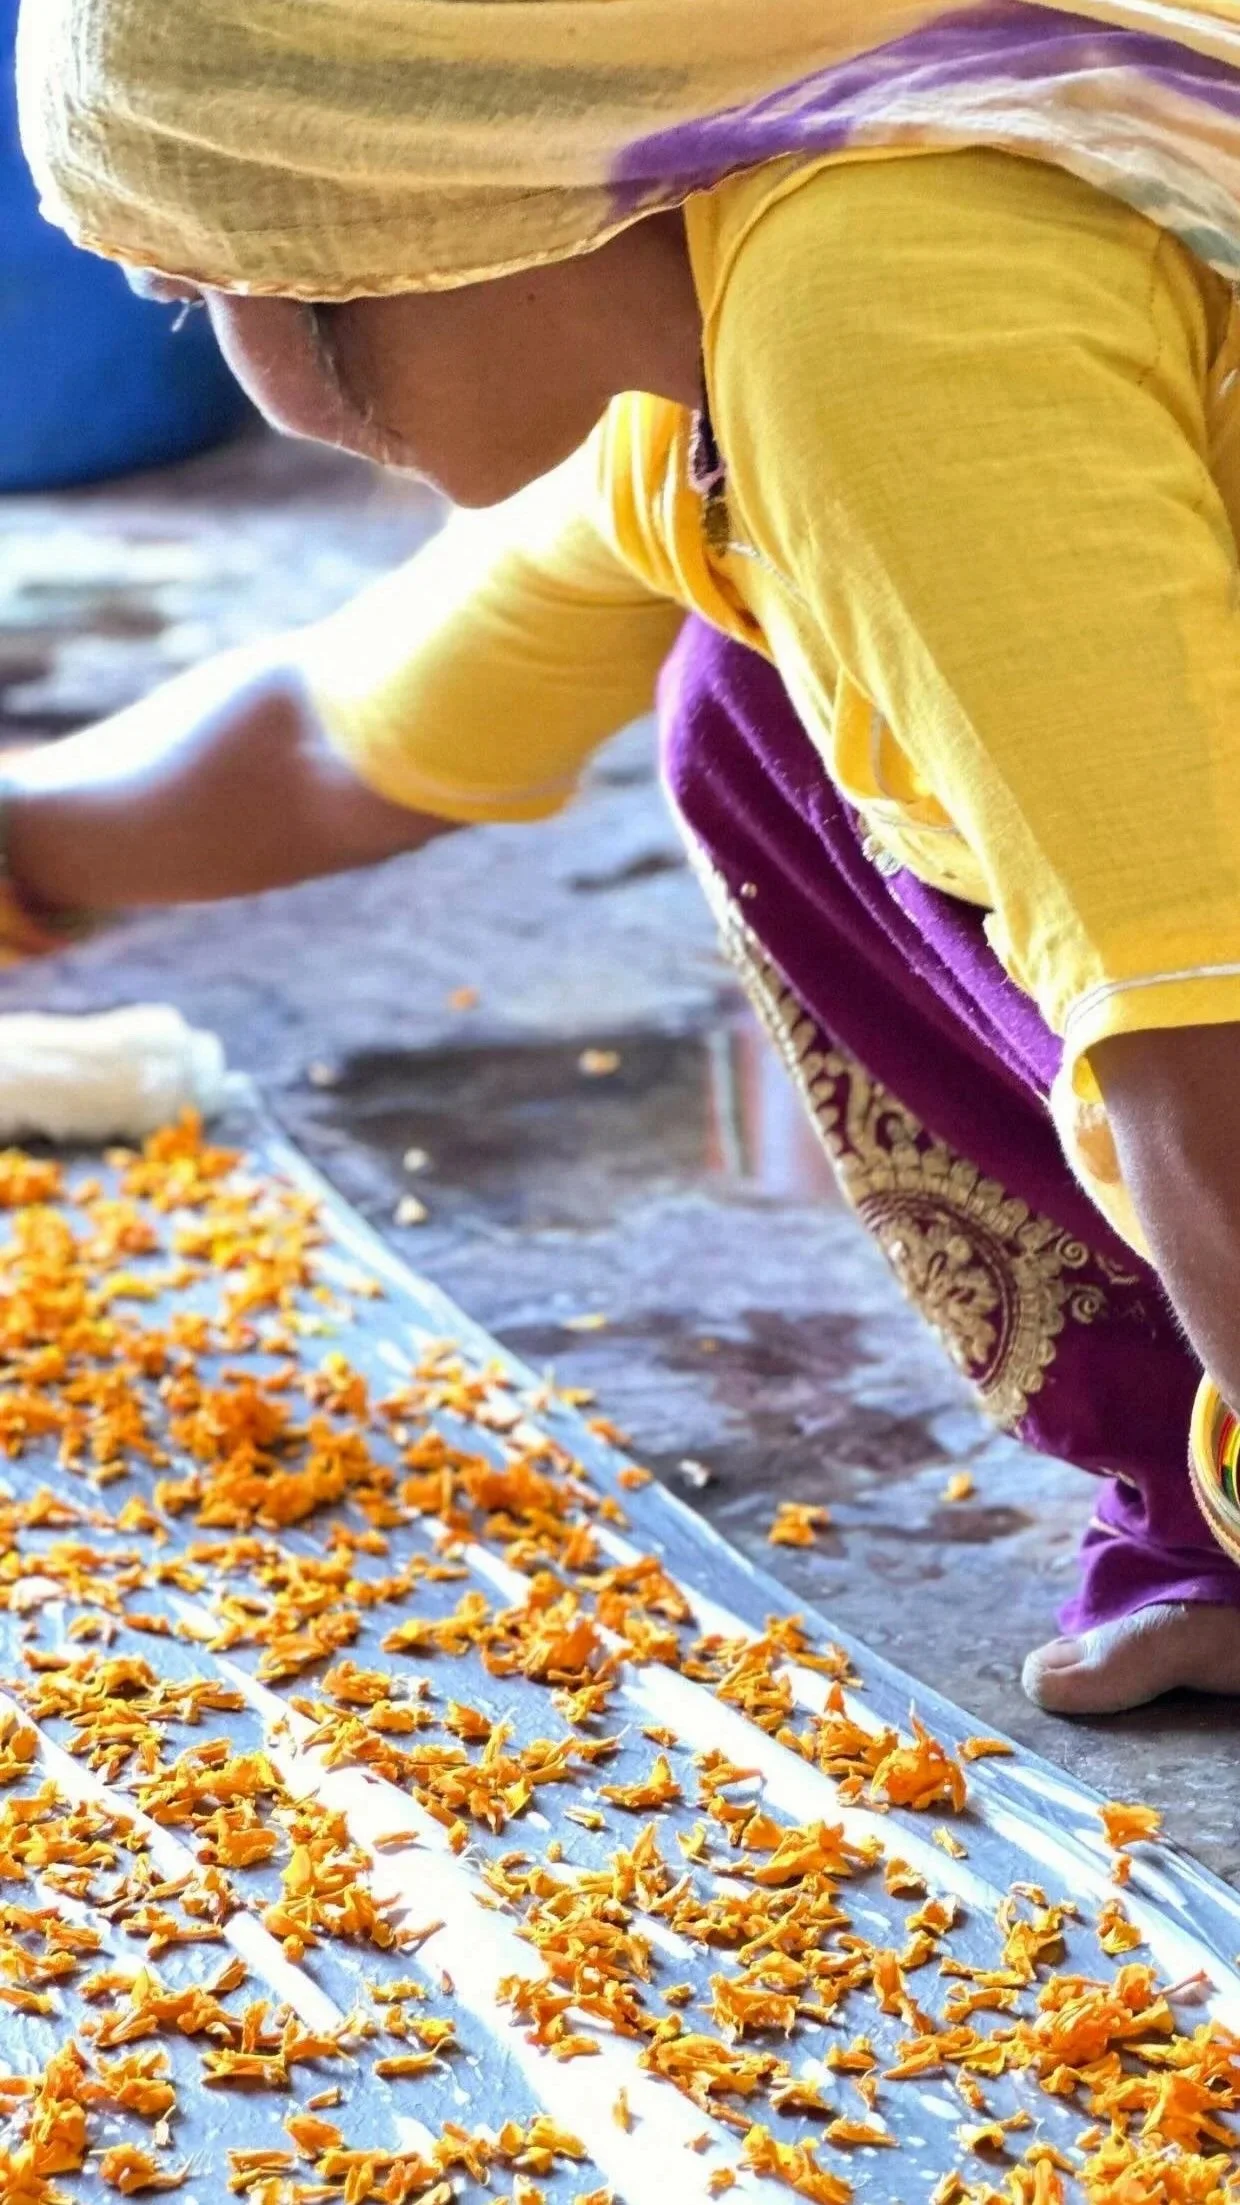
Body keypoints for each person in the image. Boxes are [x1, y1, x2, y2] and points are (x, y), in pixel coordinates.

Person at [10, 0, 1240, 1715]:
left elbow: (1199, 1021)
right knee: (745, 680)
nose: (221, 337)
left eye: (187, 281)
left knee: (757, 708)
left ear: (366, 197)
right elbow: (330, 735)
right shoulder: (737, 305)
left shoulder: (882, 304)